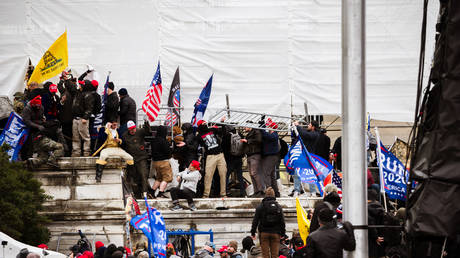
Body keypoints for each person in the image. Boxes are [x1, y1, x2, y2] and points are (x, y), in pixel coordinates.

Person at [22, 95, 64, 167]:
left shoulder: (41, 107)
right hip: (32, 133)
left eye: (39, 105)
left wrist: (42, 122)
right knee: (60, 147)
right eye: (36, 105)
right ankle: (52, 161)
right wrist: (37, 125)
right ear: (33, 104)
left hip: (40, 134)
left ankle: (29, 163)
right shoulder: (27, 109)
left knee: (43, 158)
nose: (38, 107)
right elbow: (26, 121)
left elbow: (41, 118)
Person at [251, 187, 286, 258]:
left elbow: (255, 220)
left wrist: (253, 232)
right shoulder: (278, 207)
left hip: (264, 233)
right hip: (276, 233)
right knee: (275, 255)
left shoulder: (260, 206)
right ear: (274, 195)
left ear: (265, 195)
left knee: (265, 255)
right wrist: (283, 233)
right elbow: (282, 221)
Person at [196, 120, 227, 198]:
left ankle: (223, 193)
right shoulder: (199, 136)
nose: (205, 124)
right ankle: (206, 194)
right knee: (208, 175)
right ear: (200, 126)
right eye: (203, 124)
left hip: (220, 154)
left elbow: (223, 132)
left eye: (205, 123)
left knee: (223, 174)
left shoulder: (211, 130)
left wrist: (222, 123)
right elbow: (195, 143)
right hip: (210, 156)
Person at [121, 120, 151, 197]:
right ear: (128, 129)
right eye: (131, 129)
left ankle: (145, 193)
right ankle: (137, 193)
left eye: (134, 128)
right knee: (134, 177)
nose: (133, 130)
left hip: (141, 157)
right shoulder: (125, 135)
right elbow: (123, 146)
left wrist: (146, 124)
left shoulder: (140, 131)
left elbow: (148, 132)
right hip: (131, 159)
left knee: (143, 175)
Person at [71, 80, 94, 156]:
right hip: (76, 118)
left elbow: (89, 108)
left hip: (82, 119)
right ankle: (76, 152)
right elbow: (71, 87)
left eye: (81, 85)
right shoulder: (78, 93)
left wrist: (85, 117)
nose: (79, 86)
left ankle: (86, 152)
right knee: (75, 137)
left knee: (85, 137)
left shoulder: (88, 95)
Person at [150, 125, 173, 198]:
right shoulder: (164, 141)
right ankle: (161, 193)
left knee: (159, 178)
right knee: (167, 178)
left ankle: (152, 192)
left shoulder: (154, 141)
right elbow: (168, 153)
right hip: (164, 162)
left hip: (155, 162)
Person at [260, 119, 280, 197]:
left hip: (271, 157)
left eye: (269, 126)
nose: (268, 128)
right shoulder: (272, 135)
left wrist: (262, 127)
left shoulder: (274, 135)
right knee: (272, 175)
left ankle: (269, 192)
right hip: (271, 157)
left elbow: (266, 135)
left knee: (266, 174)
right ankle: (276, 193)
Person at [241, 126, 264, 197]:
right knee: (251, 174)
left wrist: (248, 141)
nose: (244, 128)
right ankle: (256, 191)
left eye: (245, 127)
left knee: (254, 173)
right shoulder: (249, 134)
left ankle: (260, 190)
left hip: (255, 154)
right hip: (250, 155)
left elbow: (259, 140)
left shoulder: (256, 131)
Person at [368, 189, 386, 258]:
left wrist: (375, 237)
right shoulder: (381, 208)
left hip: (370, 238)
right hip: (381, 238)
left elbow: (370, 222)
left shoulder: (366, 208)